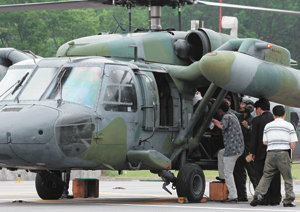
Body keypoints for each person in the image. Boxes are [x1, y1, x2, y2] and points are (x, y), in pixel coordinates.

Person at [250, 105, 297, 207]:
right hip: (283, 153)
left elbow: (265, 141)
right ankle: (288, 200)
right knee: (287, 177)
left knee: (266, 176)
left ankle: (258, 196)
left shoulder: (268, 126)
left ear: (274, 115)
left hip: (270, 153)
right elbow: (293, 143)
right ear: (284, 115)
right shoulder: (289, 126)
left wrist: (274, 143)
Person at [249, 98, 281, 205]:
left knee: (262, 176)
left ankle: (264, 198)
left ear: (259, 109)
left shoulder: (257, 120)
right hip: (275, 152)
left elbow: (254, 139)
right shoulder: (274, 119)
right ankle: (275, 199)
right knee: (275, 176)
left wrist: (251, 152)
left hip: (261, 153)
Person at [212, 100, 244, 202]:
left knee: (228, 172)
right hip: (238, 148)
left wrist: (213, 120)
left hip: (232, 149)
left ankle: (233, 195)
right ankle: (222, 176)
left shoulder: (226, 117)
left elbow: (222, 126)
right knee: (221, 153)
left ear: (221, 110)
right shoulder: (232, 115)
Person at [233, 98, 258, 201]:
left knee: (252, 173)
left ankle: (258, 195)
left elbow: (254, 136)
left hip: (248, 151)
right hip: (239, 150)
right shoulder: (238, 117)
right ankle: (242, 195)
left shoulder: (253, 121)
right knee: (238, 173)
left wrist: (248, 127)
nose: (240, 105)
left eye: (243, 104)